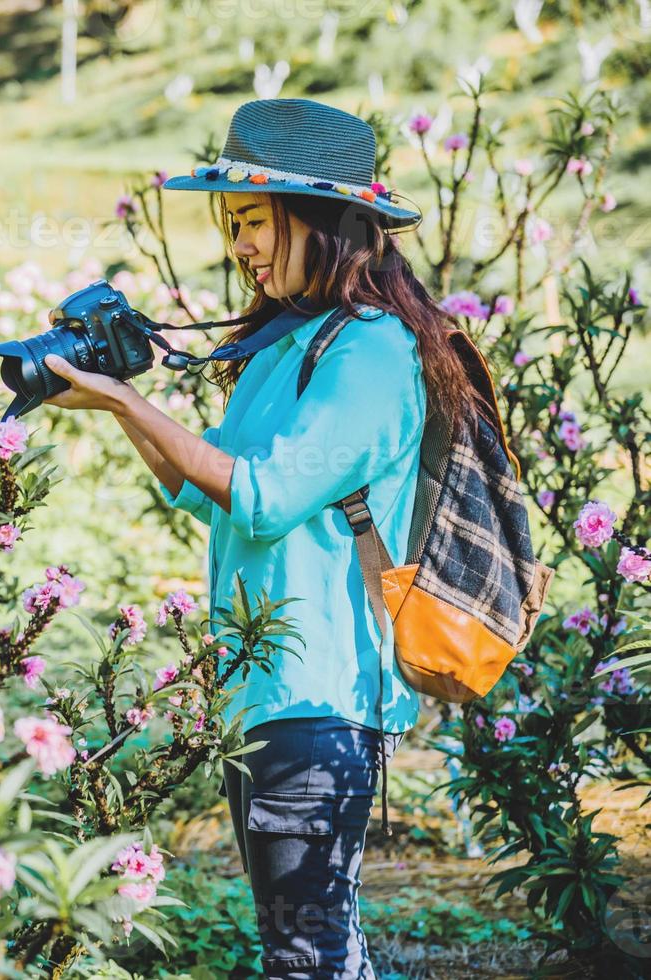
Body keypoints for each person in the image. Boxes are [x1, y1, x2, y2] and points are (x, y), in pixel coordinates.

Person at [41, 98, 484, 978]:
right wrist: (114, 399)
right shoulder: (290, 344)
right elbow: (208, 493)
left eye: (251, 222)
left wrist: (128, 402)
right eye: (232, 225)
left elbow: (266, 495)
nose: (239, 246)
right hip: (263, 691)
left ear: (318, 222)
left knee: (306, 955)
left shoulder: (369, 351)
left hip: (320, 694)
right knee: (319, 952)